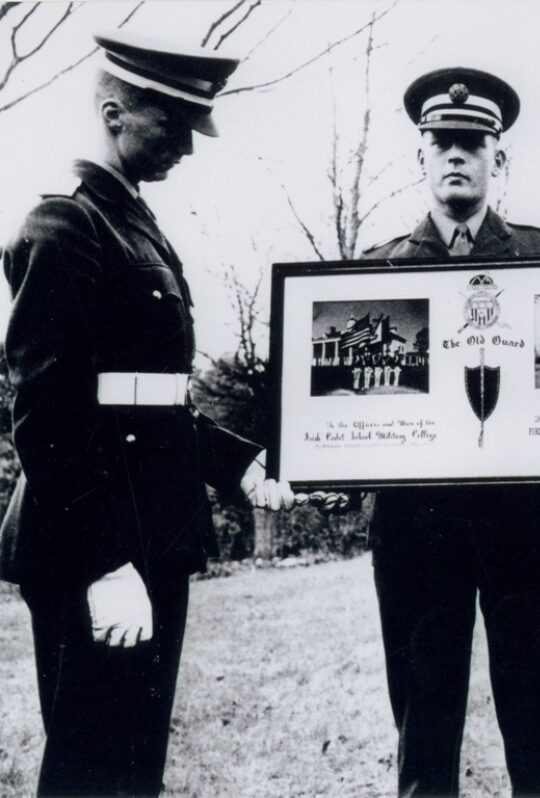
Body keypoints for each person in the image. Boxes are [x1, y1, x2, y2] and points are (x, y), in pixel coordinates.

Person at [1, 31, 294, 796]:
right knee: (89, 773)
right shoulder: (64, 228)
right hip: (91, 545)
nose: (187, 150)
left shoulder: (135, 225)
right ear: (115, 112)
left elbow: (153, 403)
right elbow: (44, 415)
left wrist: (242, 463)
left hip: (149, 535)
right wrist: (103, 564)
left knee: (133, 773)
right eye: (173, 125)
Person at [362, 67, 540, 798]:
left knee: (535, 729)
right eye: (441, 142)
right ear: (421, 157)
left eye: (473, 142)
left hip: (525, 528)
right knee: (423, 738)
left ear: (498, 158)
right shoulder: (374, 270)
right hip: (415, 531)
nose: (457, 154)